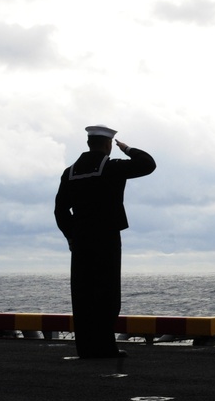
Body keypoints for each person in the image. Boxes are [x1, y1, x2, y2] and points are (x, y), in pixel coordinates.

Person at [54, 125, 156, 359]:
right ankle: (105, 347)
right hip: (106, 237)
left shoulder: (70, 172)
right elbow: (148, 164)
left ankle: (86, 348)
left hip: (81, 240)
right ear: (109, 144)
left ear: (89, 143)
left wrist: (71, 235)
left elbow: (60, 210)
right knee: (107, 295)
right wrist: (128, 148)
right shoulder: (111, 168)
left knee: (83, 295)